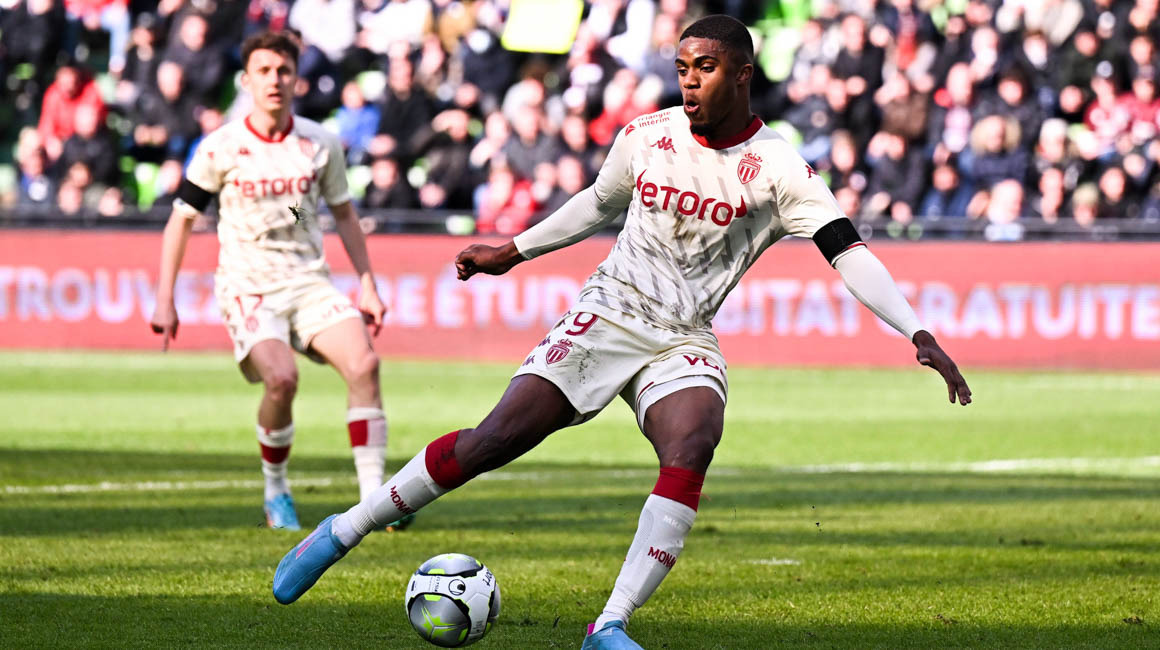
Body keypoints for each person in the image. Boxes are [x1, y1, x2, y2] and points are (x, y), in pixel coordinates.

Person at [272, 15, 971, 649]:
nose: (689, 81)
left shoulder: (780, 168)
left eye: (705, 68)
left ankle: (608, 625)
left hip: (683, 335)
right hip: (608, 314)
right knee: (494, 441)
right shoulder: (647, 135)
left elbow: (847, 250)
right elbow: (594, 205)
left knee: (693, 442)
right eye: (682, 68)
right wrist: (510, 251)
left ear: (743, 74)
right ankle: (345, 529)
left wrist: (915, 330)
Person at [149, 31, 409, 533]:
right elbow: (180, 220)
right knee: (282, 378)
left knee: (365, 365)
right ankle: (276, 491)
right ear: (246, 81)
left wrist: (368, 284)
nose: (274, 80)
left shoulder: (319, 143)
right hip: (249, 287)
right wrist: (165, 299)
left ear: (297, 80)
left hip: (309, 283)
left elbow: (343, 214)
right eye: (264, 71)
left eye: (283, 70)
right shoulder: (220, 147)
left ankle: (373, 500)